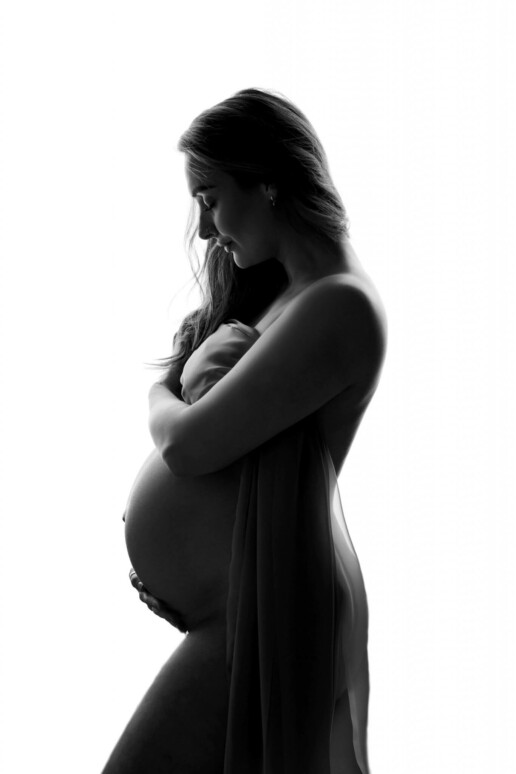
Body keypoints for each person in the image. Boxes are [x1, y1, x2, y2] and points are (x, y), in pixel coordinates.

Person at [101, 87, 387, 774]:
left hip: (262, 613)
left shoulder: (340, 304)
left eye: (209, 196)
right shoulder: (294, 295)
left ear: (267, 183)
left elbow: (190, 444)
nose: (205, 229)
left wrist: (155, 394)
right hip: (240, 606)